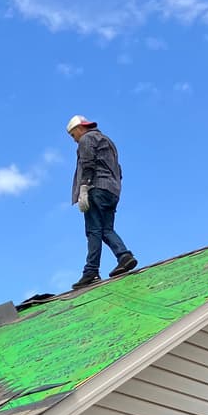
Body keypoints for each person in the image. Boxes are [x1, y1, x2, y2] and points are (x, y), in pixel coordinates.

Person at [67, 115, 138, 291]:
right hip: (112, 190)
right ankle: (124, 256)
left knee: (93, 231)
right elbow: (118, 170)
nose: (74, 140)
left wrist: (84, 188)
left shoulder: (87, 138)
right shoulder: (108, 142)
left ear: (79, 128)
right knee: (107, 229)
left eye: (73, 135)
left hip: (96, 188)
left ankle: (91, 271)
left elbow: (88, 163)